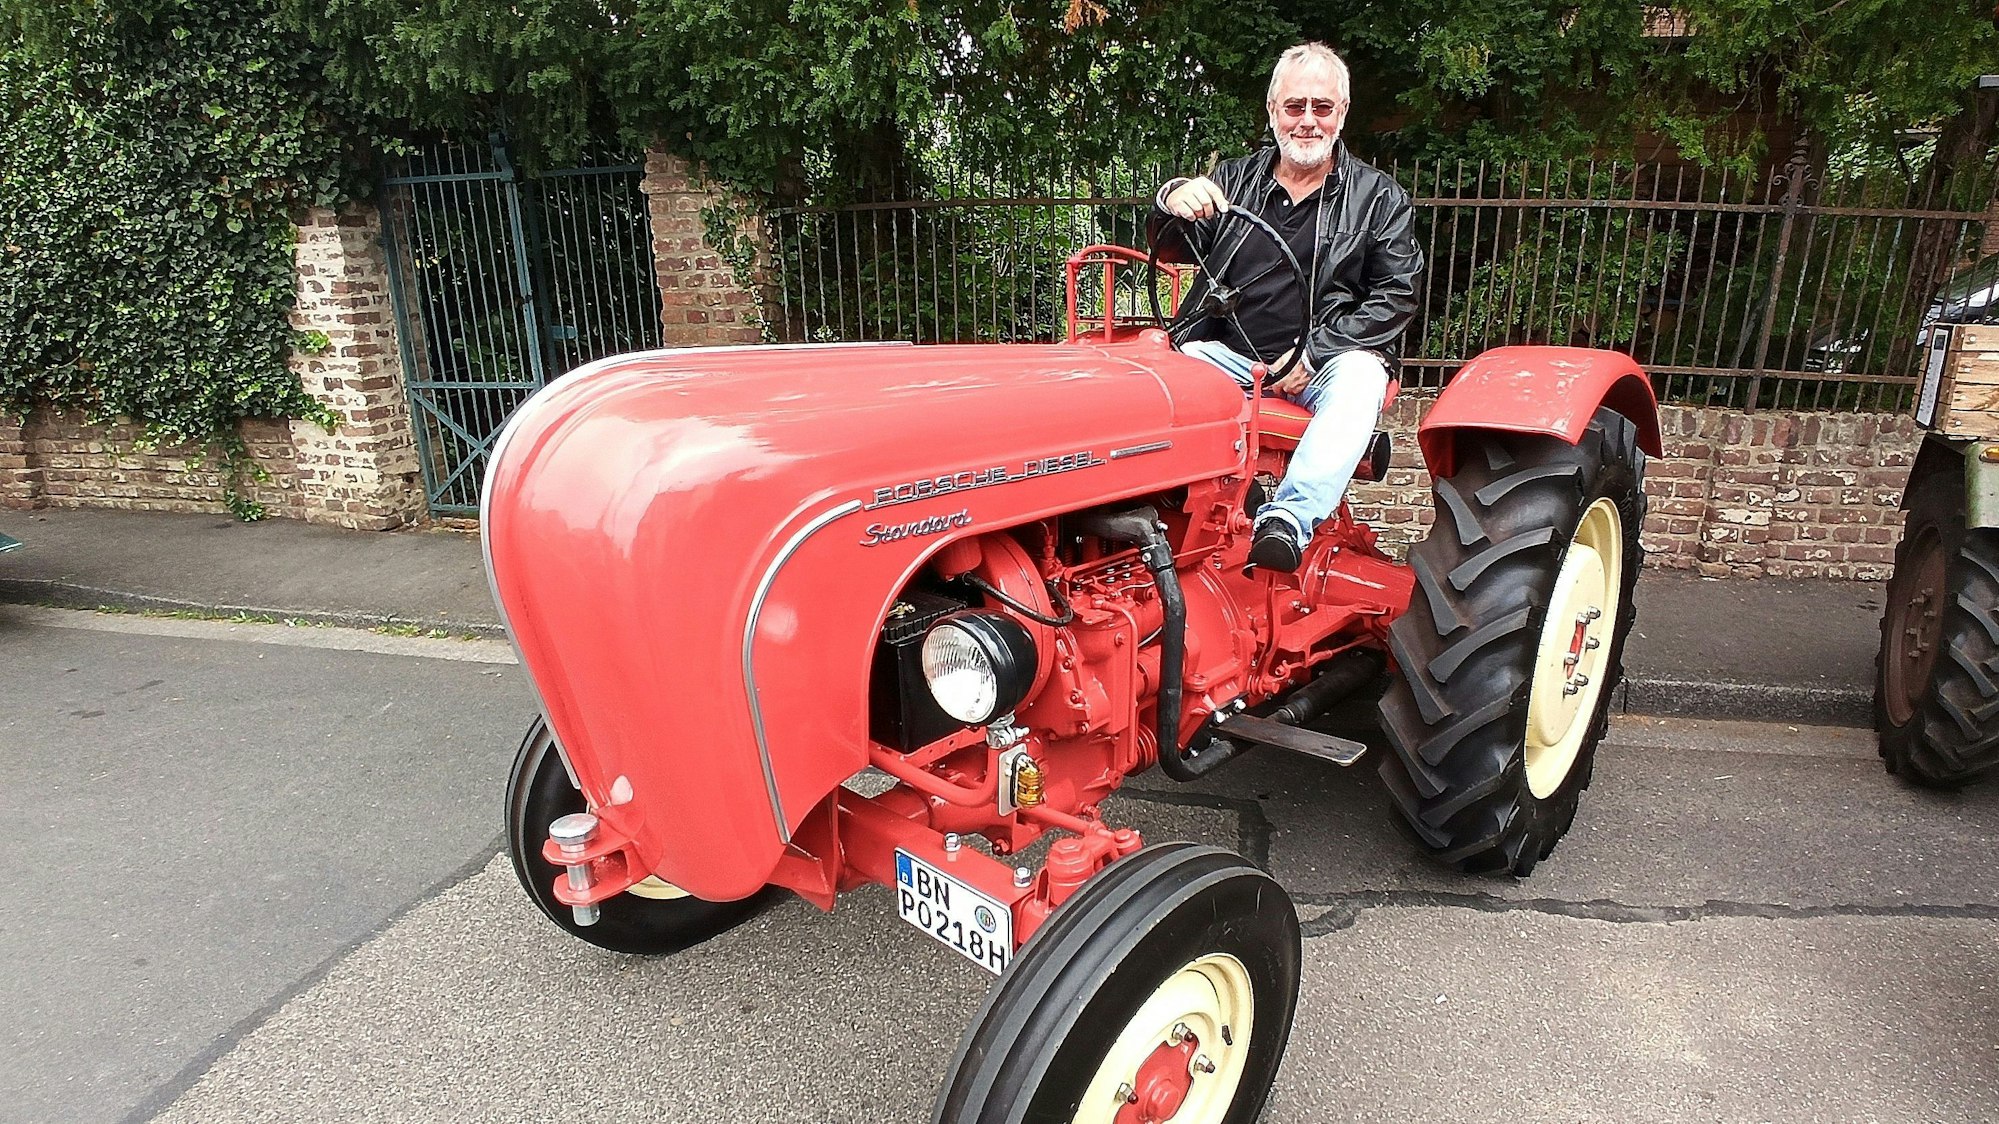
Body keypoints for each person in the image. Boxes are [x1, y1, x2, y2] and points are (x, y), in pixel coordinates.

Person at [1149, 42, 1423, 573]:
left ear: (1341, 114)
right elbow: (1170, 248)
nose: (1307, 122)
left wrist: (1313, 352)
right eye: (1295, 107)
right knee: (1151, 379)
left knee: (1362, 378)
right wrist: (1172, 199)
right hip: (1226, 357)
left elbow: (1397, 294)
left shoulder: (1379, 199)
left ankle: (1287, 521)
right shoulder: (1230, 182)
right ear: (1273, 111)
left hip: (1325, 362)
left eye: (1322, 108)